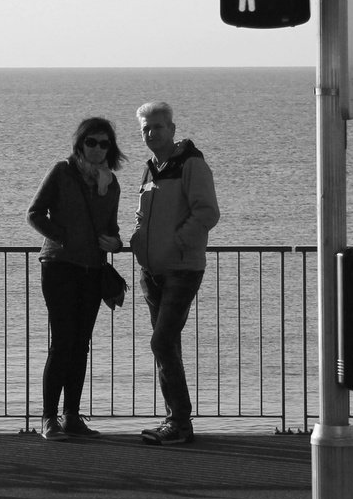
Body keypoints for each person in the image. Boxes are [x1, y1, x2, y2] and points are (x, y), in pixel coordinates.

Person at [27, 117, 125, 440]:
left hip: (92, 270)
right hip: (59, 266)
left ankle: (71, 415)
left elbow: (110, 229)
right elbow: (34, 213)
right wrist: (63, 237)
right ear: (80, 144)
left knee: (81, 345)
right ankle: (48, 418)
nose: (97, 149)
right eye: (91, 142)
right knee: (63, 342)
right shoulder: (62, 172)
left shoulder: (111, 185)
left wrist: (116, 242)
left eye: (104, 143)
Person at [129, 101, 219, 445]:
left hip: (182, 269)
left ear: (172, 129)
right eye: (145, 129)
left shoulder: (192, 165)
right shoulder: (150, 169)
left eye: (157, 127)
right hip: (152, 273)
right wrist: (138, 242)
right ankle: (176, 422)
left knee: (161, 342)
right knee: (168, 346)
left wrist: (179, 243)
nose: (151, 133)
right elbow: (142, 217)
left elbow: (207, 213)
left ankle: (179, 422)